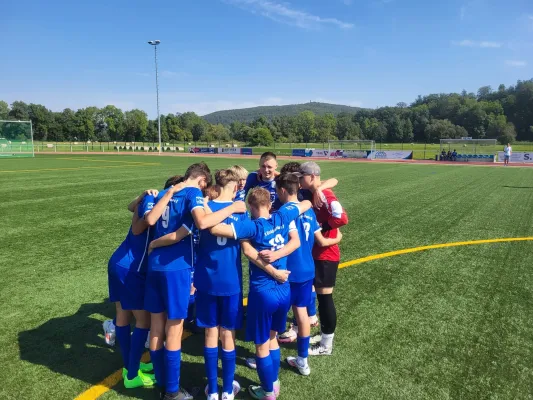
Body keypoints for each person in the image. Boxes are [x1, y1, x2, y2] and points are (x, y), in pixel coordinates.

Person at [144, 163, 247, 400]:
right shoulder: (193, 194)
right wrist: (232, 207)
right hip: (176, 268)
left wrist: (154, 243)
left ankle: (162, 382)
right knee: (174, 328)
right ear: (201, 180)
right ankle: (171, 391)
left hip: (154, 266)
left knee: (157, 326)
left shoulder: (164, 192)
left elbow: (149, 220)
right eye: (204, 185)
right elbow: (202, 223)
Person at [210, 188, 312, 400]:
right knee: (273, 338)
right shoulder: (283, 216)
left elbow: (215, 229)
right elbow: (307, 205)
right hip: (284, 287)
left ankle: (267, 392)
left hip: (263, 291)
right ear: (269, 203)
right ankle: (273, 383)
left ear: (252, 207)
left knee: (261, 345)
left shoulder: (252, 226)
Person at [258, 173, 343, 376]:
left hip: (288, 272)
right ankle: (302, 360)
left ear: (283, 191)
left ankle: (264, 356)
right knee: (302, 314)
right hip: (307, 270)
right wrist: (337, 238)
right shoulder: (310, 211)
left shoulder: (282, 214)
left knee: (273, 315)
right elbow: (321, 241)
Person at [195, 169, 248, 400]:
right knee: (228, 334)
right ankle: (227, 390)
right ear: (236, 187)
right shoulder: (241, 211)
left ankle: (213, 392)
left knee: (210, 333)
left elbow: (207, 227)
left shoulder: (204, 209)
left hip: (206, 280)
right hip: (231, 282)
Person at [107, 188, 159, 388]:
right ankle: (131, 376)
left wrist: (141, 197)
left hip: (118, 262)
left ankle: (131, 366)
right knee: (143, 321)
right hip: (131, 269)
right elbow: (138, 228)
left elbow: (131, 206)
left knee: (122, 315)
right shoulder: (158, 205)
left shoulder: (150, 199)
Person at [296, 161, 348, 356]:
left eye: (301, 177)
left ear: (311, 177)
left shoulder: (325, 195)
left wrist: (323, 226)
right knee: (320, 297)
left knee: (325, 299)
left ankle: (326, 345)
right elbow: (331, 180)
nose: (299, 181)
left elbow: (342, 218)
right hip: (318, 253)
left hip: (327, 254)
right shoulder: (315, 191)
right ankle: (324, 334)